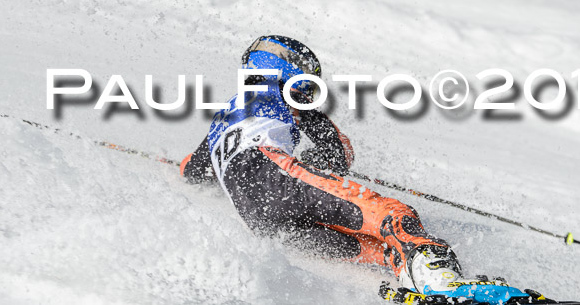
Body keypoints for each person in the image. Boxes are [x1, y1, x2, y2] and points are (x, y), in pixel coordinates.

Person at [180, 35, 531, 303]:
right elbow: (339, 153)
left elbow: (193, 171)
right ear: (287, 73)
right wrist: (315, 163)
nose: (307, 97)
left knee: (378, 246)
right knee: (392, 213)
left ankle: (416, 286)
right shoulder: (278, 98)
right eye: (306, 85)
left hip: (259, 218)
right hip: (276, 174)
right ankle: (443, 283)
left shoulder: (225, 116)